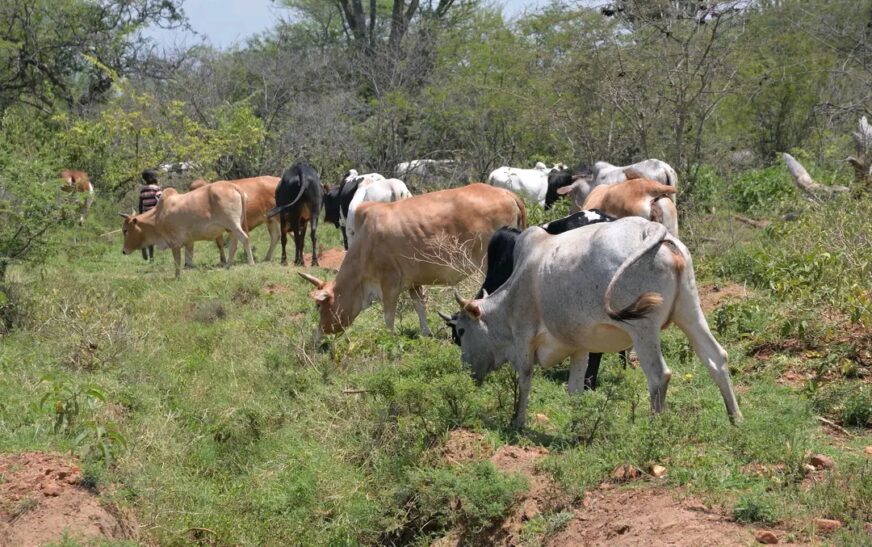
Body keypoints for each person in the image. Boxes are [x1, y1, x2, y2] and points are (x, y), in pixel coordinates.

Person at [138, 169, 162, 261]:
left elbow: (140, 204)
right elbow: (160, 202)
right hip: (154, 216)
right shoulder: (157, 189)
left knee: (148, 235)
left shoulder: (143, 190)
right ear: (153, 177)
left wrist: (140, 216)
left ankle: (144, 246)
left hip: (145, 216)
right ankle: (151, 257)